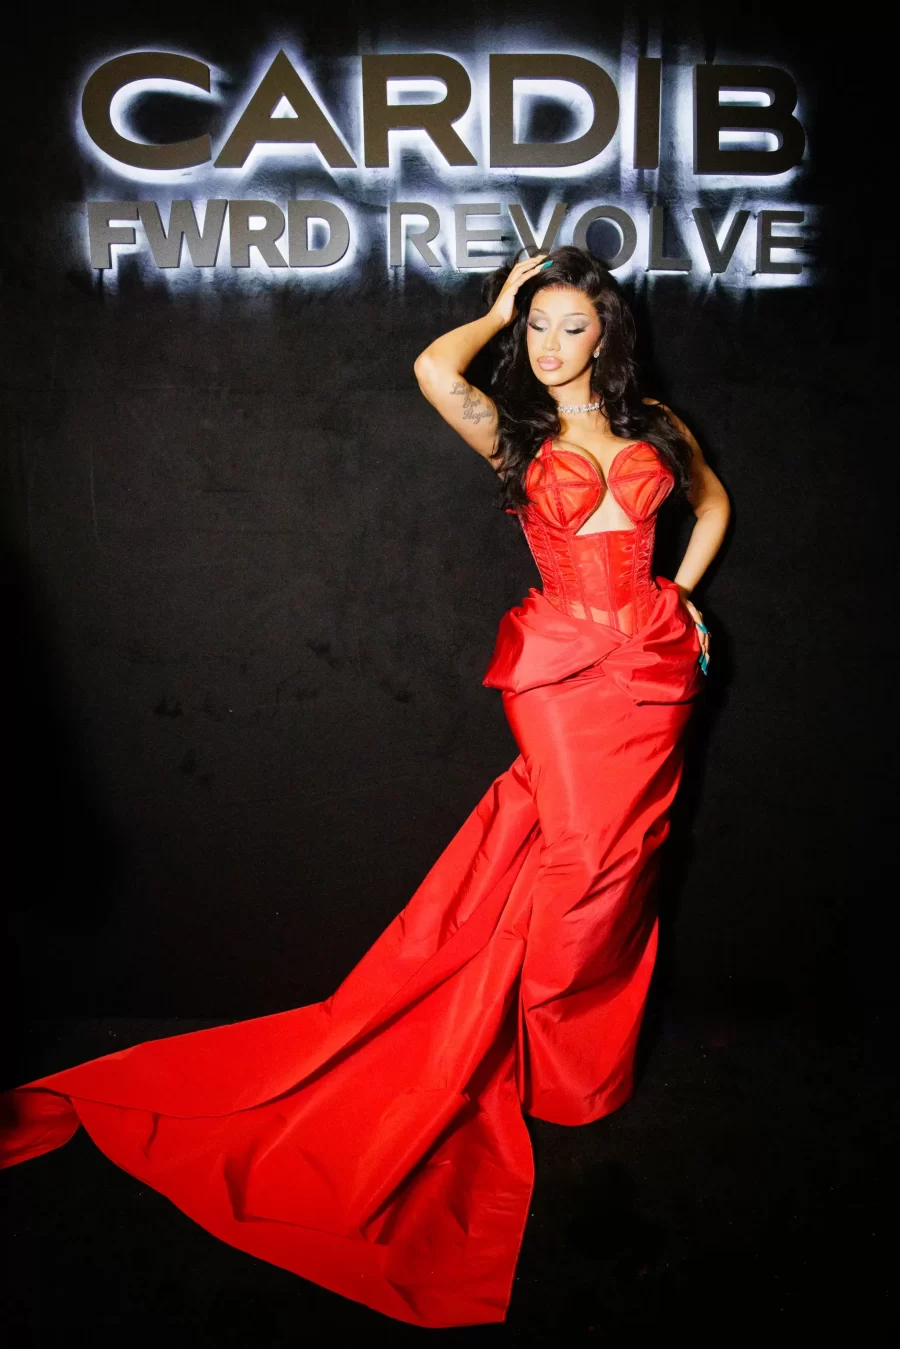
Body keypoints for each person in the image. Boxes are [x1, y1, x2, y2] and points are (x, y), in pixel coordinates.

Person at [0, 246, 730, 1329]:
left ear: (607, 335)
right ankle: (530, 1058)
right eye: (538, 326)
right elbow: (434, 370)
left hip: (656, 670)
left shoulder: (656, 423)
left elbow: (709, 505)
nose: (550, 346)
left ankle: (579, 1072)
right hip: (560, 672)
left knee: (627, 868)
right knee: (581, 860)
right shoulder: (514, 430)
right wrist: (497, 308)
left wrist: (683, 598)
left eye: (571, 326)